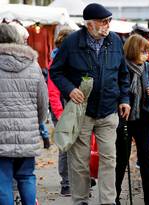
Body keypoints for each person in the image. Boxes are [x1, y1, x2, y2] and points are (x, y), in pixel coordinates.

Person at [50, 3, 131, 205]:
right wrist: (69, 89)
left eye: (108, 21)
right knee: (79, 162)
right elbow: (56, 71)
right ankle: (80, 201)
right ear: (89, 24)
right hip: (82, 112)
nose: (107, 25)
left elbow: (123, 74)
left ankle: (108, 201)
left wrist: (124, 99)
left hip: (108, 110)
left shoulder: (115, 41)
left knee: (109, 159)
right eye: (103, 21)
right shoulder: (71, 43)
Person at [0, 23, 48, 205]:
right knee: (27, 176)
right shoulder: (33, 65)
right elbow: (43, 102)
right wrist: (38, 123)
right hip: (27, 133)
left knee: (2, 181)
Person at [115, 34, 149, 205]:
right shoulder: (122, 67)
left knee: (146, 159)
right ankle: (115, 196)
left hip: (143, 118)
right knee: (121, 159)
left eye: (147, 51)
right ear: (133, 51)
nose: (146, 54)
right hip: (125, 119)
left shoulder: (147, 67)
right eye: (143, 51)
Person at [48, 28, 74, 196]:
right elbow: (53, 92)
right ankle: (66, 183)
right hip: (61, 110)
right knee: (65, 148)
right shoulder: (56, 61)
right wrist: (60, 114)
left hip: (75, 109)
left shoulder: (74, 59)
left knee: (77, 147)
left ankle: (78, 181)